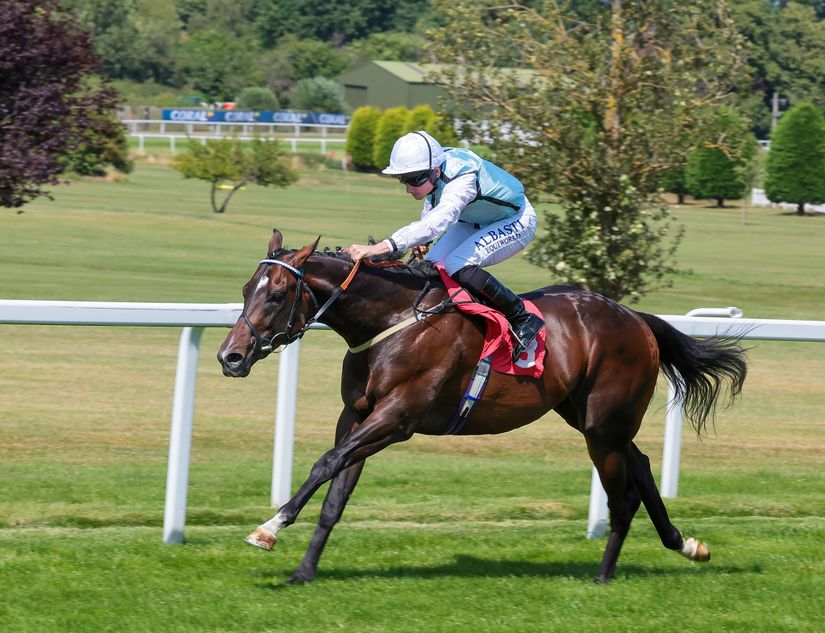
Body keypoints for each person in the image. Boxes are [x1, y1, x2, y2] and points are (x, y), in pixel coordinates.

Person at [347, 131, 545, 362]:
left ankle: (521, 317)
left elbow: (440, 218)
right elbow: (431, 210)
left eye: (413, 179)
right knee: (430, 266)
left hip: (516, 220)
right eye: (404, 180)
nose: (408, 188)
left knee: (456, 264)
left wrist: (380, 247)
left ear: (436, 171)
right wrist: (423, 240)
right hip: (472, 221)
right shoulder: (436, 169)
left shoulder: (463, 179)